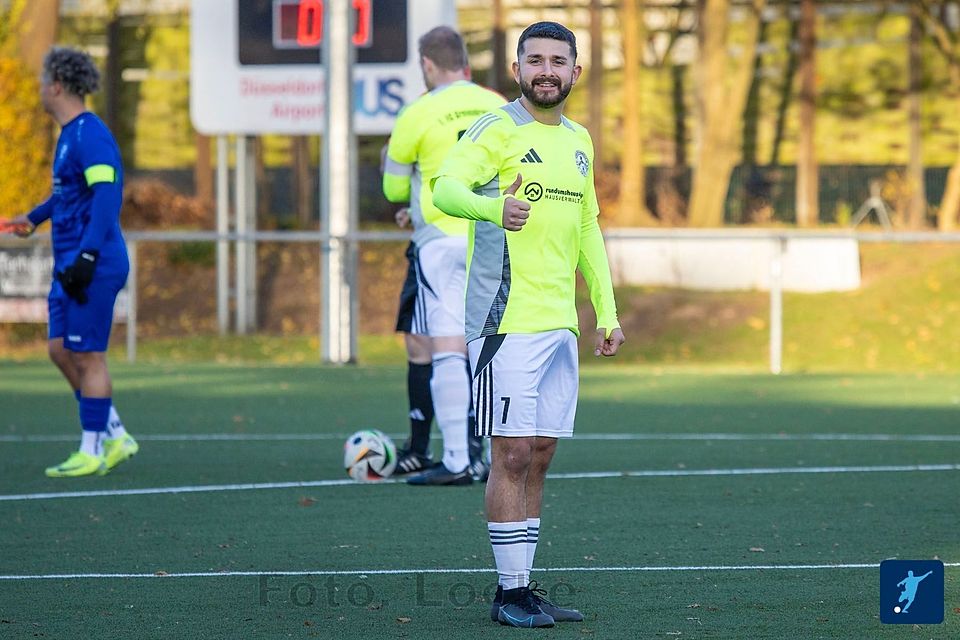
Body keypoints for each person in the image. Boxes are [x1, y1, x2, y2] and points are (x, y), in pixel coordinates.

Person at [432, 21, 625, 627]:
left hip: (559, 324)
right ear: (516, 69)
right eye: (534, 59)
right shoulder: (495, 127)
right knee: (510, 452)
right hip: (503, 321)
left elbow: (589, 226)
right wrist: (494, 206)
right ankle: (507, 594)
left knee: (539, 453)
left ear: (575, 71)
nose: (547, 70)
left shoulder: (580, 139)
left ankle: (524, 587)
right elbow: (444, 188)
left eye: (558, 60)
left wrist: (607, 311)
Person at [382, 26, 506, 485]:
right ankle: (492, 456)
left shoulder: (416, 113)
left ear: (428, 65)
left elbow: (393, 187)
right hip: (491, 236)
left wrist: (407, 199)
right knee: (491, 346)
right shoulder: (498, 106)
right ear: (465, 63)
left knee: (448, 348)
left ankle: (455, 458)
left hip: (439, 239)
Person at [11, 47, 137, 477]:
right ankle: (116, 435)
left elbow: (107, 194)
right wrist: (33, 218)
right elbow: (69, 193)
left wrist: (87, 253)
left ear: (57, 86)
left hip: (92, 262)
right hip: (70, 260)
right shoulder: (70, 135)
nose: (40, 90)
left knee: (89, 358)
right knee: (59, 350)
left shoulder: (89, 134)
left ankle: (92, 450)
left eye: (43, 82)